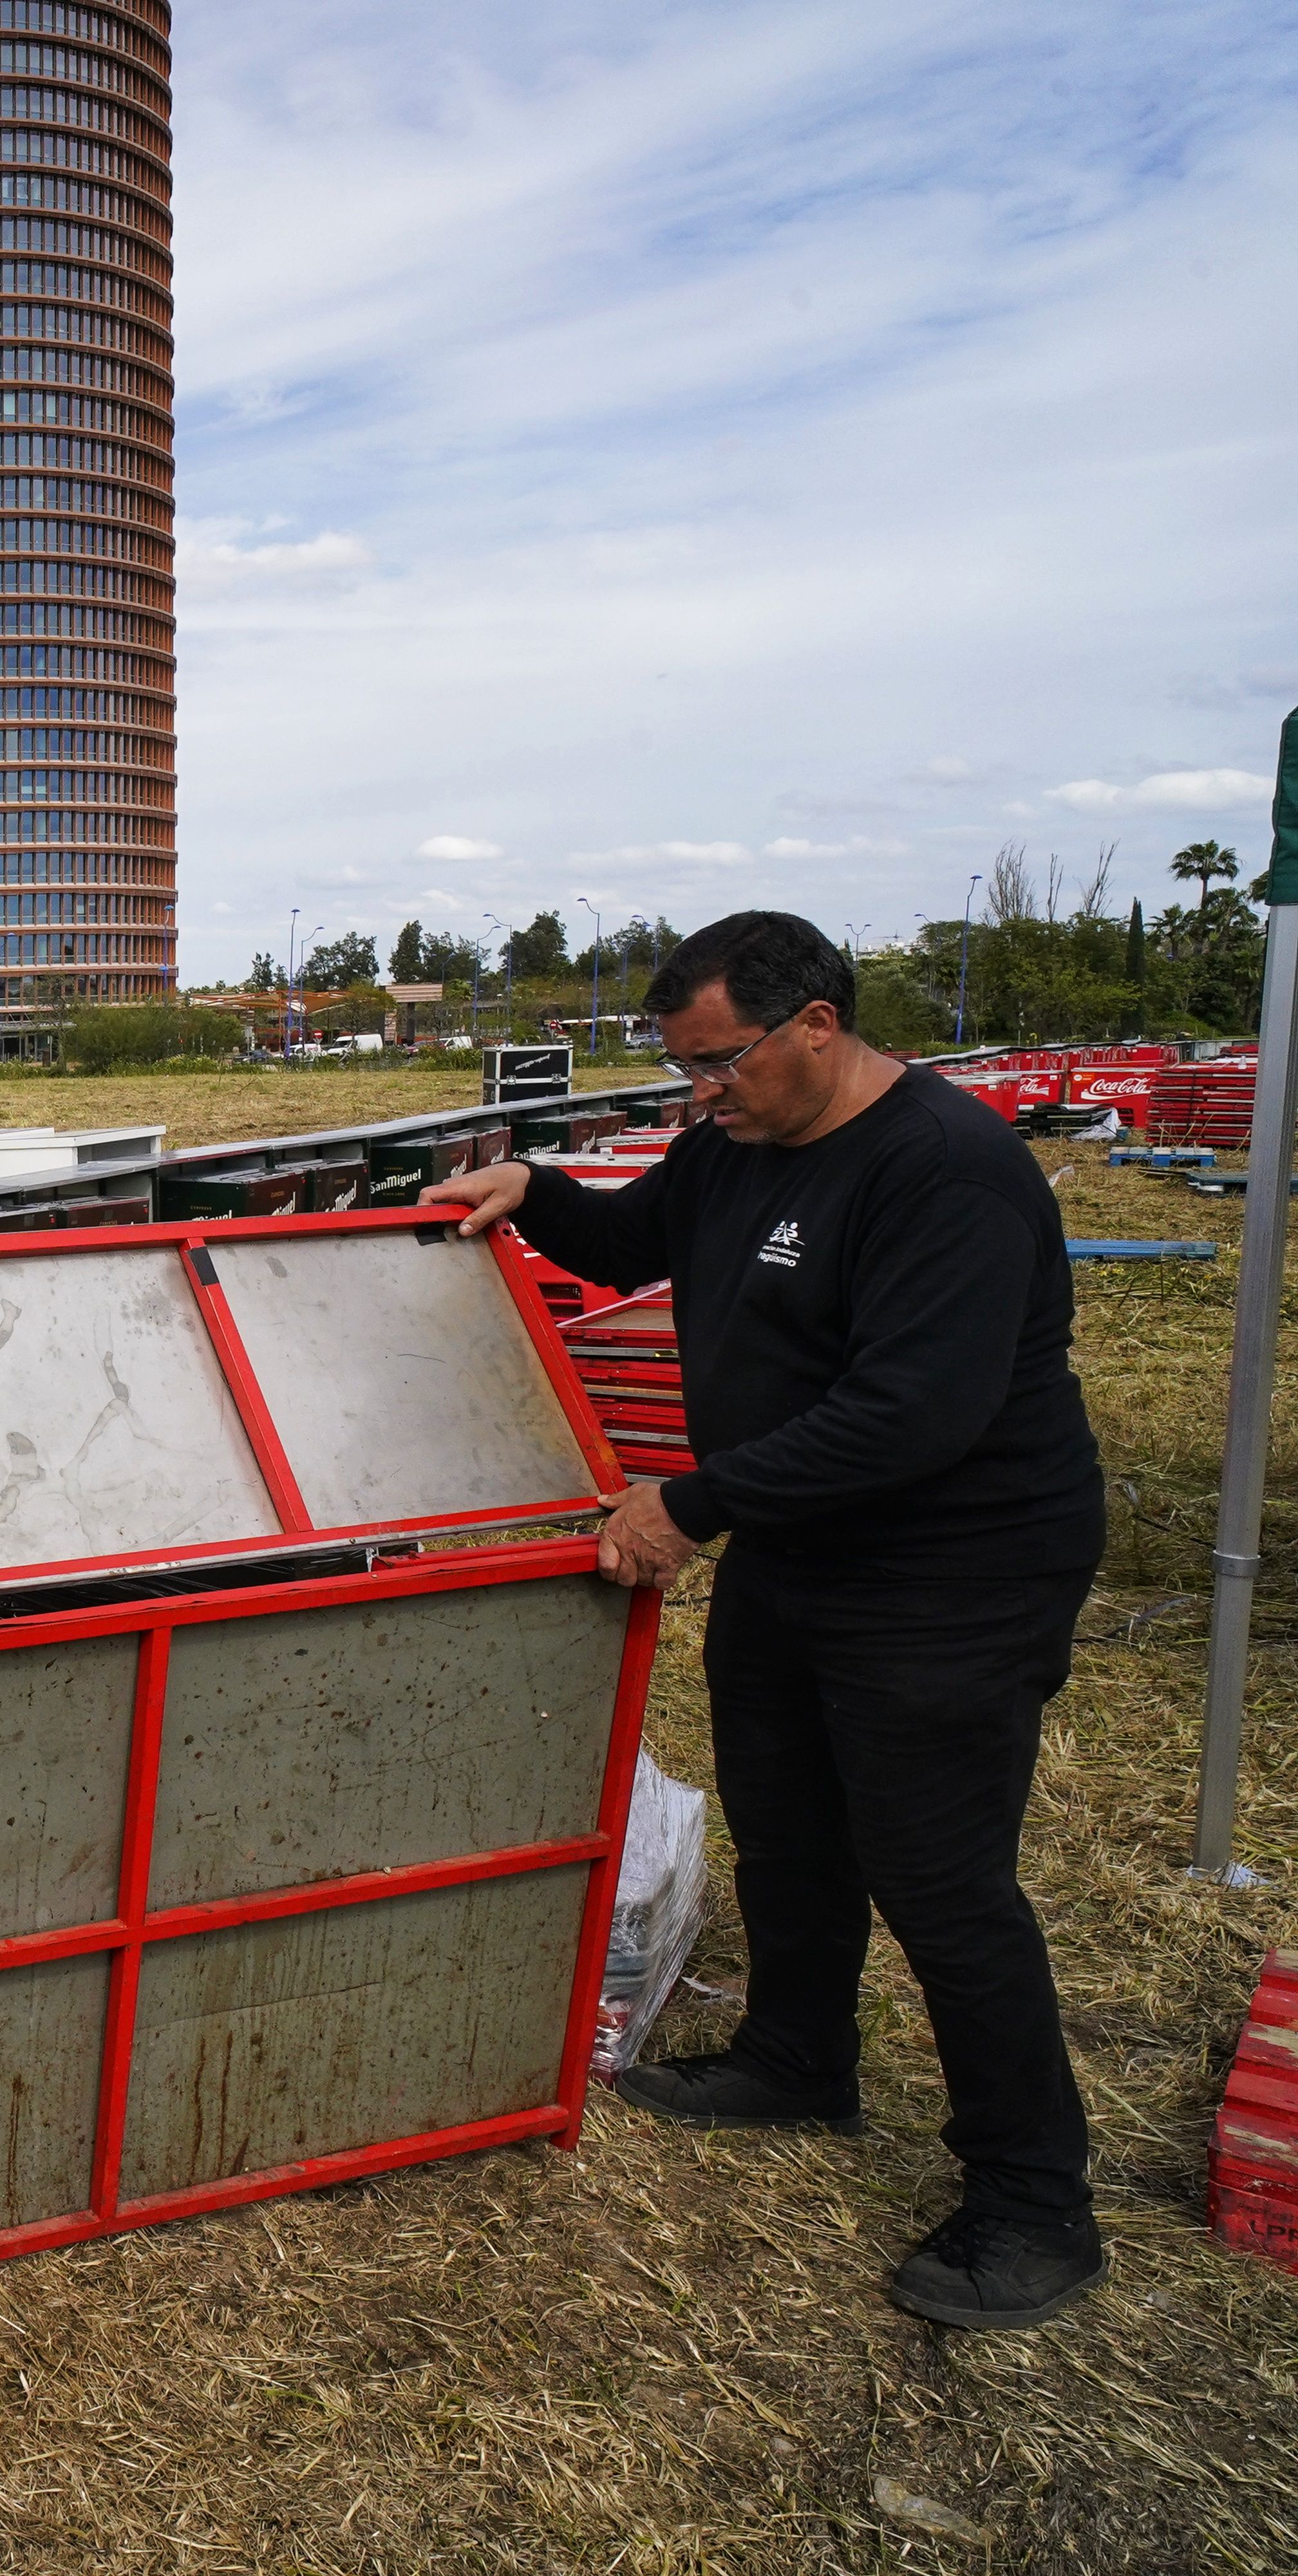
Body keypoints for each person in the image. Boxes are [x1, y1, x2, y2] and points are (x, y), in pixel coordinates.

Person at [428, 910, 1110, 2331]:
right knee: (785, 1817)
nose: (702, 1094)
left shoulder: (949, 1172)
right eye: (686, 1068)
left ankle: (1036, 2199)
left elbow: (916, 1411)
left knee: (939, 1876)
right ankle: (799, 2057)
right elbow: (626, 1243)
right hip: (801, 1543)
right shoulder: (729, 1149)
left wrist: (696, 1496)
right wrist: (528, 1188)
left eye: (723, 1063)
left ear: (817, 1023)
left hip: (951, 1569)